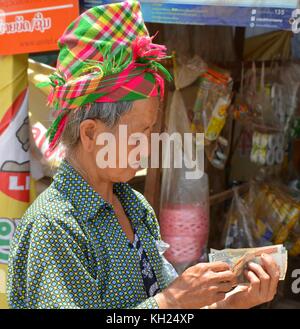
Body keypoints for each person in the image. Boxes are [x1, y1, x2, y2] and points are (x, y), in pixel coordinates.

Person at [7, 0, 280, 309]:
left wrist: (230, 303)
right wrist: (169, 301)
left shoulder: (135, 207)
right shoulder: (54, 226)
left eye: (150, 131)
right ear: (91, 134)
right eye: (137, 135)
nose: (147, 148)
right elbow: (164, 306)